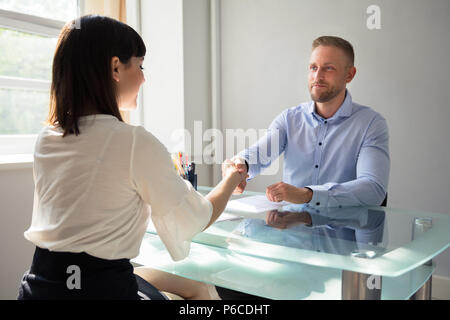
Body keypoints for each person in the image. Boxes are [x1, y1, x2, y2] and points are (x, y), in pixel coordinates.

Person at [18, 15, 246, 300]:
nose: (143, 77)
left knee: (156, 276)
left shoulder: (46, 139)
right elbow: (196, 219)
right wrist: (231, 178)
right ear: (116, 67)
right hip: (102, 291)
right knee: (201, 291)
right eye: (140, 65)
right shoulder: (135, 142)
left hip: (39, 288)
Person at [223, 36, 390, 208]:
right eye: (313, 67)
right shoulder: (289, 119)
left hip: (343, 232)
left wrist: (308, 194)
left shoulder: (371, 124)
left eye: (329, 68)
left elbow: (373, 189)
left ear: (350, 74)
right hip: (292, 229)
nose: (318, 76)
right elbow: (260, 152)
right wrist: (241, 164)